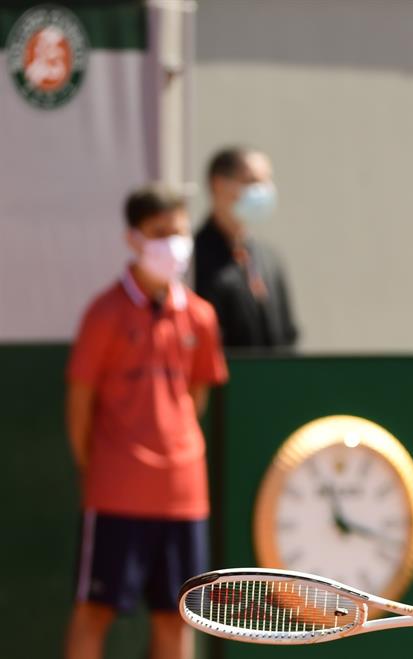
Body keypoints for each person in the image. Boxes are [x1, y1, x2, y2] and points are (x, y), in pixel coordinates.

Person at [65, 184, 228, 659]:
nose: (173, 244)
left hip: (184, 495)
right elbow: (79, 406)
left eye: (179, 232)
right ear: (134, 238)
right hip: (117, 490)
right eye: (160, 233)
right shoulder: (104, 313)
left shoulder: (200, 316)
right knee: (94, 610)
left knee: (179, 614)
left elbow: (195, 396)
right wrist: (97, 471)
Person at [194, 147, 299, 349]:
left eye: (267, 180)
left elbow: (288, 333)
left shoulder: (268, 257)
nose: (263, 190)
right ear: (218, 184)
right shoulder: (193, 257)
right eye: (251, 181)